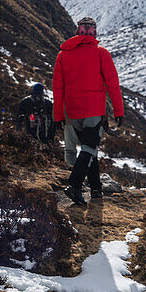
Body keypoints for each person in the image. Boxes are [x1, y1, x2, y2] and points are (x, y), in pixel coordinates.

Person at [52, 16, 124, 206]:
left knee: (89, 151)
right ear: (94, 32)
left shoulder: (63, 55)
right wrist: (118, 110)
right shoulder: (101, 53)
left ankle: (96, 189)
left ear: (78, 31)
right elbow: (113, 85)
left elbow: (58, 89)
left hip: (72, 111)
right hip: (93, 111)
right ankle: (74, 186)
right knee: (89, 149)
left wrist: (58, 114)